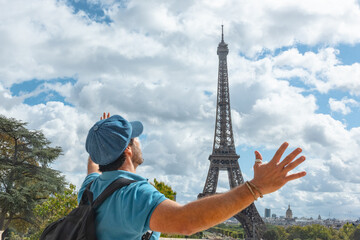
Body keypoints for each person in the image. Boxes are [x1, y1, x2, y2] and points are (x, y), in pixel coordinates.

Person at [78, 113, 306, 240]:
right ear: (128, 150)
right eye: (135, 138)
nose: (139, 141)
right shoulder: (135, 195)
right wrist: (256, 187)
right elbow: (187, 221)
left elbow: (93, 165)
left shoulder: (90, 188)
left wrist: (102, 136)